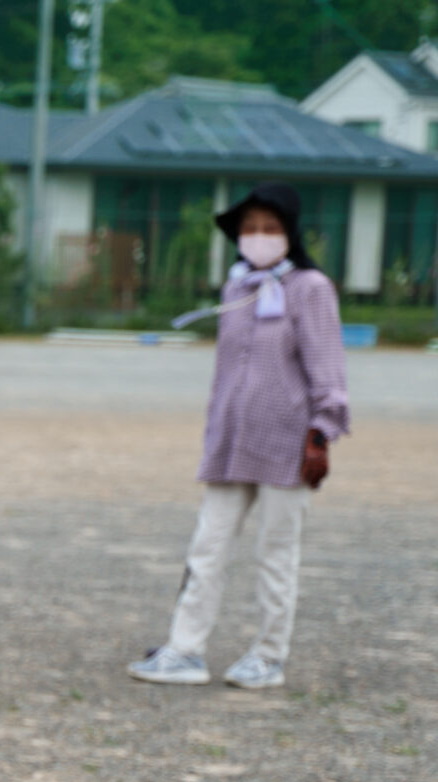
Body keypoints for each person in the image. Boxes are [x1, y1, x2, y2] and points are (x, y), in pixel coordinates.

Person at [130, 182, 347, 689]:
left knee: (275, 553)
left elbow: (327, 367)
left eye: (270, 228)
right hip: (232, 443)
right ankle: (185, 650)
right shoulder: (236, 289)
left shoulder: (310, 288)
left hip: (289, 444)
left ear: (290, 233)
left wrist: (322, 432)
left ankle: (268, 656)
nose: (258, 237)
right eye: (249, 228)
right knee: (207, 547)